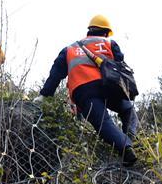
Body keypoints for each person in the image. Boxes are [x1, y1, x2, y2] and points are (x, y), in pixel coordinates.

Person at [38, 15, 139, 166]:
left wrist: (44, 95)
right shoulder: (110, 43)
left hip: (84, 89)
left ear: (89, 31)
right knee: (128, 110)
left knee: (103, 122)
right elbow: (121, 65)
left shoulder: (70, 49)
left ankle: (126, 147)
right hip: (109, 85)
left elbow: (55, 74)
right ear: (105, 32)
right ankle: (131, 141)